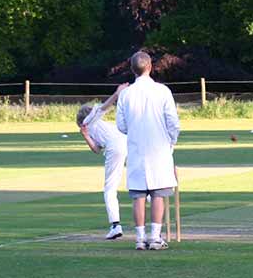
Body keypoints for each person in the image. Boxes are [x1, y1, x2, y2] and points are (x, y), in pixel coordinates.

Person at [116, 51, 181, 250]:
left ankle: (140, 238)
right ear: (151, 67)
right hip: (159, 148)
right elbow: (173, 121)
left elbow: (121, 125)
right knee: (158, 193)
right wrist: (172, 141)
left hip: (136, 148)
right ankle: (154, 237)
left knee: (139, 195)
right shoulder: (162, 91)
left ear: (132, 69)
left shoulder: (126, 93)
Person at [76, 83, 129, 240]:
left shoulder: (88, 120)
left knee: (110, 189)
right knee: (135, 178)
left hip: (116, 147)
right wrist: (85, 136)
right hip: (127, 143)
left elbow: (104, 107)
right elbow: (97, 149)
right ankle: (151, 198)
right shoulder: (91, 127)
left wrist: (117, 93)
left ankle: (115, 225)